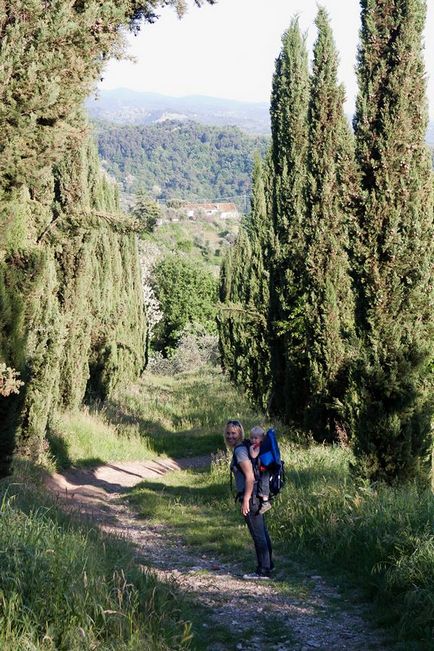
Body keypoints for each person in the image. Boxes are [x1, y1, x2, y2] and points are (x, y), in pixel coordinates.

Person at [224, 419, 274, 579]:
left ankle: (263, 571)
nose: (230, 436)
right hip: (257, 496)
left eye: (233, 433)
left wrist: (245, 499)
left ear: (240, 434)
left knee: (258, 534)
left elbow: (250, 477)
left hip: (251, 497)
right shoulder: (246, 446)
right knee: (262, 532)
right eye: (228, 433)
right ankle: (268, 565)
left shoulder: (240, 450)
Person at [249, 426, 272, 515]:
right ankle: (264, 501)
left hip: (263, 469)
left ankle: (265, 503)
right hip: (264, 468)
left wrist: (251, 449)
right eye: (251, 438)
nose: (253, 440)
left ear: (261, 438)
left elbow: (254, 455)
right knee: (263, 483)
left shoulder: (257, 446)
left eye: (256, 438)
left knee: (263, 484)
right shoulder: (262, 445)